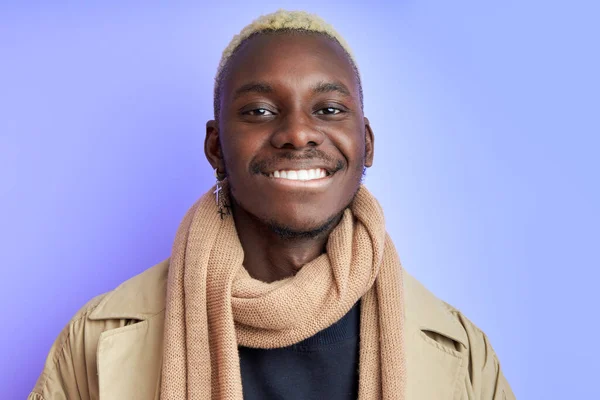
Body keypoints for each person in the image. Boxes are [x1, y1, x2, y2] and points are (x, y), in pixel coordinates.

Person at [29, 10, 515, 400]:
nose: (299, 133)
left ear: (365, 143)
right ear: (216, 148)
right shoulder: (95, 340)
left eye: (328, 110)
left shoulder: (462, 353)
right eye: (260, 111)